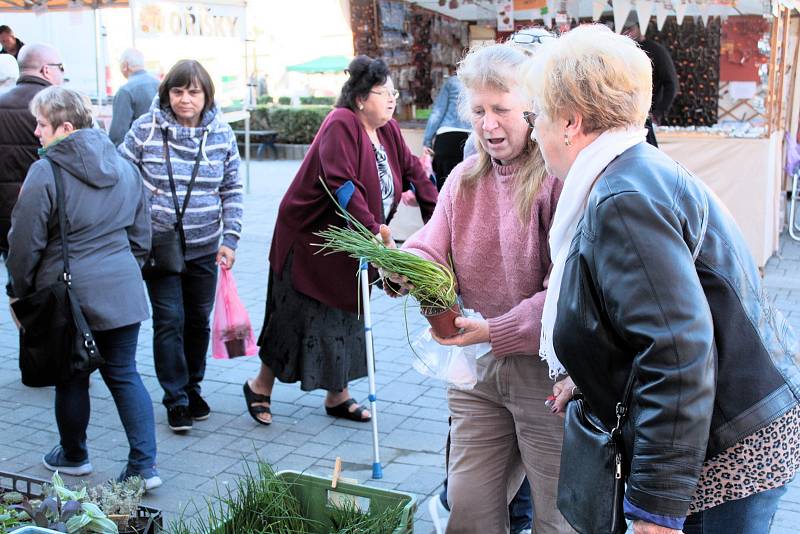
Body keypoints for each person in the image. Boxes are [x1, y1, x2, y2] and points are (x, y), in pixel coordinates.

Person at [531, 25, 800, 534]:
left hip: (723, 450)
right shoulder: (633, 169)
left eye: (536, 115)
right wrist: (591, 376)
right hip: (725, 425)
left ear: (570, 121)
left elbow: (677, 352)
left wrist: (656, 510)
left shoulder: (623, 197)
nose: (535, 129)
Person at [384, 43, 573, 533]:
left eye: (502, 110)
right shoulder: (463, 179)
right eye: (479, 111)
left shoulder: (557, 183)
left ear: (533, 109)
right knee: (468, 508)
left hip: (546, 374)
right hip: (480, 372)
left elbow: (564, 292)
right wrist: (399, 265)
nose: (488, 125)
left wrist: (496, 329)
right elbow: (431, 247)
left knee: (558, 515)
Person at [242, 56, 438, 426]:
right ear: (362, 97)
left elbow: (415, 173)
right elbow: (341, 185)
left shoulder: (388, 130)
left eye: (395, 92)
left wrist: (439, 218)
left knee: (348, 315)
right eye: (385, 93)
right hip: (310, 240)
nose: (392, 99)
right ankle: (259, 386)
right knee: (294, 317)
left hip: (349, 242)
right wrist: (375, 235)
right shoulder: (341, 123)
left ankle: (338, 395)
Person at [7, 86, 159, 489]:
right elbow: (142, 237)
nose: (37, 133)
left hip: (68, 297)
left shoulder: (46, 171)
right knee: (125, 373)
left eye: (41, 125)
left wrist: (17, 292)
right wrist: (124, 272)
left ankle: (74, 455)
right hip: (123, 292)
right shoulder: (125, 166)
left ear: (66, 127)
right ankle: (145, 467)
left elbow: (24, 243)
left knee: (71, 376)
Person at [119, 59, 243, 433]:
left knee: (197, 322)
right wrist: (134, 225)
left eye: (193, 91)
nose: (185, 99)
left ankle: (192, 386)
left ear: (206, 95)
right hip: (157, 247)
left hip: (206, 247)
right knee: (169, 320)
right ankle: (175, 398)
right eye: (177, 90)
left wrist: (231, 238)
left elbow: (231, 189)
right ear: (166, 93)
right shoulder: (144, 130)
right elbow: (121, 179)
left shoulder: (221, 134)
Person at [0, 43, 64, 282]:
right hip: (55, 213)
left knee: (17, 284)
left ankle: (25, 319)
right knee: (56, 282)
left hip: (8, 216)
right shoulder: (60, 106)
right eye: (60, 67)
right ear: (47, 70)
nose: (62, 74)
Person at [422, 70, 471, 189]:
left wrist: (427, 142)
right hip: (471, 141)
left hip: (446, 139)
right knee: (468, 191)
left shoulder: (452, 82)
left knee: (444, 190)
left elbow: (437, 112)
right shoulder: (481, 83)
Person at [108, 48, 159, 146]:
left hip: (136, 151)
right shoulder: (160, 85)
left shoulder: (125, 91)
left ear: (125, 66)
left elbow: (118, 133)